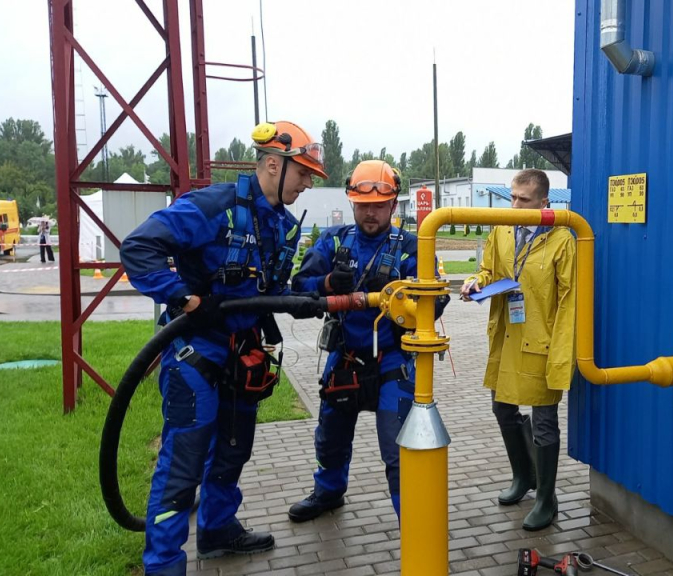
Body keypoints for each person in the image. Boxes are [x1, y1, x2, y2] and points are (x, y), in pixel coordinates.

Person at [120, 120, 325, 576]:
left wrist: (313, 294)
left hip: (244, 354)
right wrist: (185, 299)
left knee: (233, 450)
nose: (308, 184)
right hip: (197, 352)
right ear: (274, 164)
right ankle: (164, 566)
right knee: (184, 463)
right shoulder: (212, 206)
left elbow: (271, 289)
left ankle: (216, 531)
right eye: (304, 173)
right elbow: (139, 247)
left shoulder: (283, 226)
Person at [288, 160, 449, 521]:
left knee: (398, 449)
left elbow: (437, 300)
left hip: (393, 360)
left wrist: (399, 299)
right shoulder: (333, 241)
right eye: (363, 205)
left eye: (379, 205)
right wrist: (328, 284)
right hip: (345, 357)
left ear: (393, 205)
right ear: (352, 203)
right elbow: (298, 291)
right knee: (330, 437)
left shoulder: (412, 247)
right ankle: (328, 493)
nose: (371, 212)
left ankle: (413, 526)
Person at [460, 168, 576, 531]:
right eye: (512, 197)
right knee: (502, 408)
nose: (514, 205)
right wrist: (475, 283)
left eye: (523, 200)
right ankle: (523, 476)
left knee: (544, 424)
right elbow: (489, 270)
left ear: (544, 203)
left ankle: (547, 498)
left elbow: (570, 304)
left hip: (542, 345)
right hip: (508, 339)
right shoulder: (502, 229)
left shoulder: (562, 240)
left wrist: (561, 358)